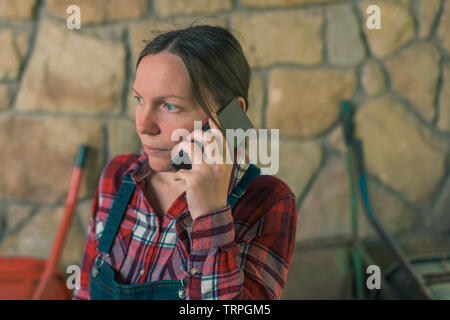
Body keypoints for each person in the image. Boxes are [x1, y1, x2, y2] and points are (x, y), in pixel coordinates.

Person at [73, 24, 297, 300]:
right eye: (140, 100)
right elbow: (84, 293)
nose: (144, 125)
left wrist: (210, 215)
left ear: (229, 116)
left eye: (170, 106)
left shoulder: (267, 201)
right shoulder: (117, 176)